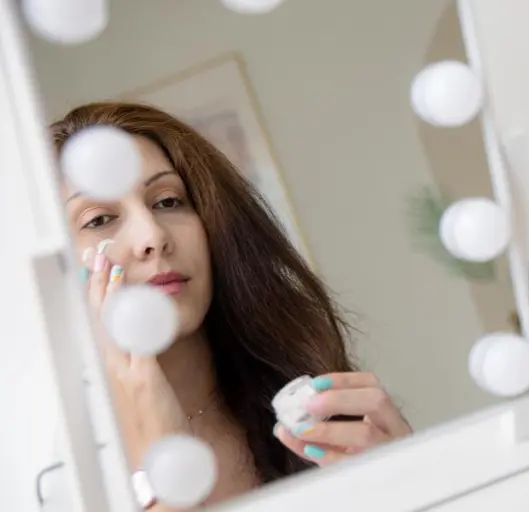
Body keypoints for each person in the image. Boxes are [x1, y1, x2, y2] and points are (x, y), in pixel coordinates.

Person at [52, 102, 413, 507]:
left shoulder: (303, 407)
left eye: (168, 201)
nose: (152, 235)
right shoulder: (53, 476)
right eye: (99, 219)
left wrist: (416, 478)